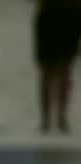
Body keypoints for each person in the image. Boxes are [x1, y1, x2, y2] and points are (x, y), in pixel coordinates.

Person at [35, 0, 81, 133]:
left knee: (57, 69)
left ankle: (54, 118)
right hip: (58, 13)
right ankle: (51, 118)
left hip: (64, 14)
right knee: (53, 69)